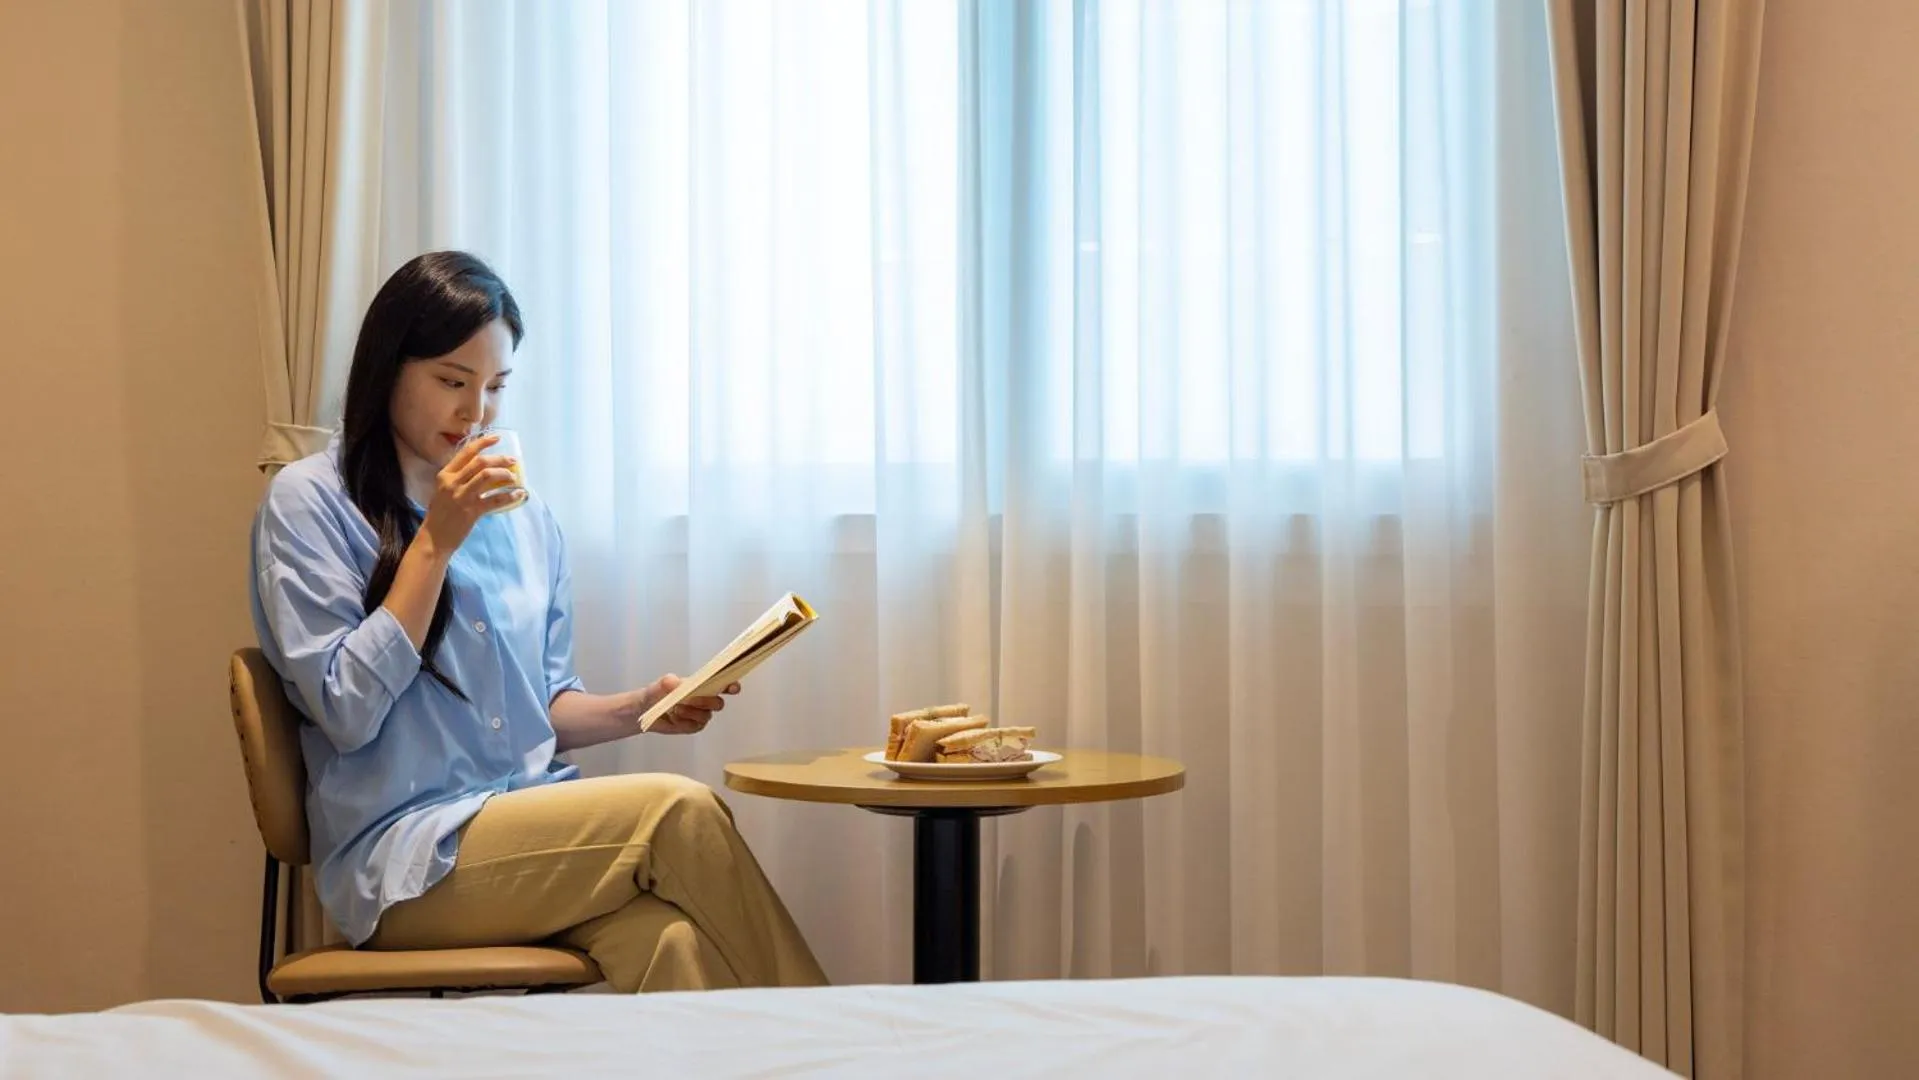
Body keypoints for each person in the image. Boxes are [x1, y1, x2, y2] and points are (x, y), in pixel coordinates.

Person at [249, 250, 826, 992]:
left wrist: (639, 710)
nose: (476, 412)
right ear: (388, 368)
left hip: (527, 833)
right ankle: (847, 1046)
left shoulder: (527, 520)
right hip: (403, 862)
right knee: (675, 810)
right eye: (452, 382)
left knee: (673, 943)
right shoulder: (308, 505)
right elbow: (346, 711)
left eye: (495, 388)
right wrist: (436, 540)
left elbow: (541, 706)